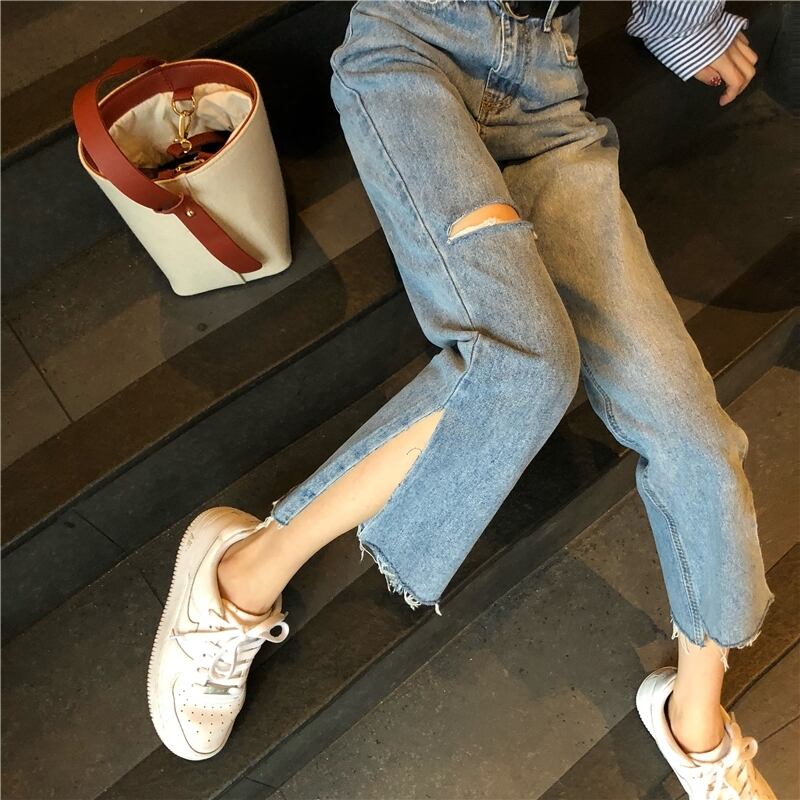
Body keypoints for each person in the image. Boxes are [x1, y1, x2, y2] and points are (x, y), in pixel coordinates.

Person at [147, 1, 777, 796]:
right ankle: (241, 573)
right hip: (417, 46)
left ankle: (696, 722)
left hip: (549, 90)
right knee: (526, 363)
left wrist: (685, 19)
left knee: (696, 435)